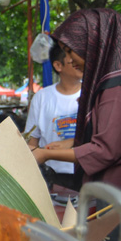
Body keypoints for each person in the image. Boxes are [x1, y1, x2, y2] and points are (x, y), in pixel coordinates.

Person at [31, 9, 121, 199]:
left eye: (71, 51)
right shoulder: (106, 82)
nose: (71, 60)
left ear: (92, 45)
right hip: (110, 190)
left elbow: (104, 150)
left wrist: (45, 155)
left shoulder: (118, 86)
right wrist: (71, 142)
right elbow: (109, 134)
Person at [24, 43, 82, 190]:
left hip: (86, 174)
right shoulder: (42, 97)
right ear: (58, 65)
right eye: (72, 61)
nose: (79, 63)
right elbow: (31, 143)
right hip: (53, 177)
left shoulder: (91, 94)